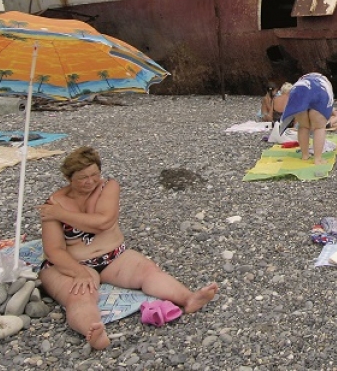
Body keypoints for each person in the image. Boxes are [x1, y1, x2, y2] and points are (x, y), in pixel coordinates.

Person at [37, 146, 218, 350]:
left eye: (94, 175)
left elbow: (103, 222)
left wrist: (61, 215)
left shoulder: (107, 187)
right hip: (74, 262)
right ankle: (92, 331)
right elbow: (54, 249)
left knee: (149, 272)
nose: (90, 181)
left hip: (113, 257)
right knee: (80, 295)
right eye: (82, 178)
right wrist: (78, 272)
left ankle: (188, 298)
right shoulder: (53, 203)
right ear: (69, 178)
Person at [277, 72, 335, 166]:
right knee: (319, 128)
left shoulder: (300, 82)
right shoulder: (325, 83)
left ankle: (305, 155)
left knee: (303, 126)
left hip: (299, 92)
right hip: (320, 92)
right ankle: (317, 159)